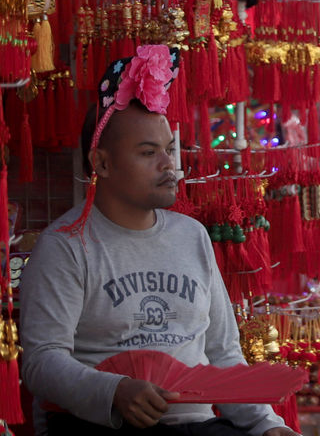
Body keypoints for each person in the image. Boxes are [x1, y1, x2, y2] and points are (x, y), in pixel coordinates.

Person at [20, 45, 298, 436]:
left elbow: (222, 352)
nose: (169, 165)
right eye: (148, 153)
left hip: (197, 425)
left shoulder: (192, 236)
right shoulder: (66, 247)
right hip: (102, 424)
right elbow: (42, 362)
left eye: (169, 150)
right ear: (101, 162)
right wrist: (114, 390)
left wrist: (268, 425)